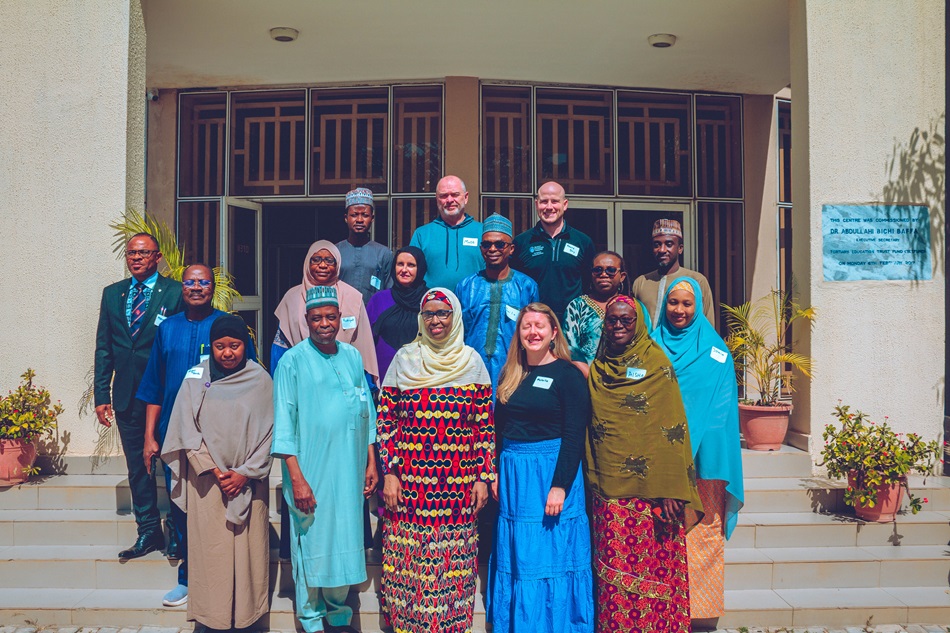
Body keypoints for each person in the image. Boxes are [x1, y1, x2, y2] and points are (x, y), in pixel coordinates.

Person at [376, 288, 495, 633]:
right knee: (409, 569)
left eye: (443, 313)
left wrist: (483, 477)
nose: (436, 320)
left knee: (452, 570)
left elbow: (484, 426)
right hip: (410, 488)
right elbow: (386, 420)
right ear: (420, 318)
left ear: (455, 316)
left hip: (458, 490)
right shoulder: (404, 359)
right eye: (429, 314)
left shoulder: (471, 362)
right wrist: (391, 472)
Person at [137, 264, 256, 606]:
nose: (196, 287)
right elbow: (153, 387)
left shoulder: (225, 327)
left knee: (215, 510)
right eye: (190, 282)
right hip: (176, 437)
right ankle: (188, 579)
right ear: (182, 287)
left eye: (204, 282)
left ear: (212, 286)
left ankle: (220, 579)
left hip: (220, 438)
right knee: (182, 509)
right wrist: (150, 436)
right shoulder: (167, 328)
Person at [586, 295, 703, 633]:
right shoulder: (599, 366)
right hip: (609, 489)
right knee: (615, 574)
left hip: (654, 495)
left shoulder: (656, 365)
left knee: (655, 570)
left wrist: (670, 488)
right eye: (612, 320)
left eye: (626, 320)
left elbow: (672, 430)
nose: (619, 326)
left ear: (637, 324)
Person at [272, 286, 379, 633]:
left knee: (344, 537)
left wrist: (371, 462)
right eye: (316, 318)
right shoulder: (292, 361)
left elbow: (367, 412)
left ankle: (338, 610)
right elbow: (284, 423)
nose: (324, 323)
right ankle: (310, 615)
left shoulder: (351, 357)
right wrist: (296, 477)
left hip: (348, 469)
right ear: (306, 321)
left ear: (339, 319)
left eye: (330, 317)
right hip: (310, 469)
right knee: (312, 539)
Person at [161, 314, 273, 631]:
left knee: (248, 557)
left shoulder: (260, 380)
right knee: (212, 556)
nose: (227, 353)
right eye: (220, 346)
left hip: (249, 485)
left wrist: (244, 474)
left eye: (234, 345)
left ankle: (247, 618)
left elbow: (271, 433)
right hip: (207, 484)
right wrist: (211, 468)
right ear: (210, 347)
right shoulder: (195, 378)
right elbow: (184, 428)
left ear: (245, 345)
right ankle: (213, 619)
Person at [487, 303, 593, 633]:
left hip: (551, 471)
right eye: (526, 326)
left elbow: (575, 433)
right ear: (518, 334)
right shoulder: (510, 373)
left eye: (539, 326)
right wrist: (495, 472)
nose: (533, 332)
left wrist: (560, 485)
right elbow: (498, 429)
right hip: (515, 477)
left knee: (553, 555)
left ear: (553, 333)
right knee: (523, 556)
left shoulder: (567, 374)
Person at [651, 277, 744, 629]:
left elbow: (722, 412)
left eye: (686, 304)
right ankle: (664, 605)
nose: (679, 310)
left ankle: (699, 617)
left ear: (698, 306)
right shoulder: (652, 346)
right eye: (673, 303)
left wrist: (694, 449)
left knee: (702, 536)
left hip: (704, 463)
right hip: (661, 461)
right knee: (663, 536)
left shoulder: (715, 350)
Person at [94, 232, 183, 561]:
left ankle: (176, 529)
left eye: (143, 253)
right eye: (131, 253)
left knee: (172, 464)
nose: (136, 258)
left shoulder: (175, 292)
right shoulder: (113, 294)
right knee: (138, 466)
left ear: (157, 257)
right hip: (128, 395)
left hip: (166, 394)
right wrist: (101, 394)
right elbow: (105, 347)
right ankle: (148, 531)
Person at [272, 240, 379, 382]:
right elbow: (280, 348)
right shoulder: (292, 298)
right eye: (316, 260)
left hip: (343, 377)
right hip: (302, 378)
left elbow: (363, 345)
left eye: (329, 261)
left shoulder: (352, 297)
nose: (322, 265)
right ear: (307, 263)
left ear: (338, 265)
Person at [455, 214, 539, 388]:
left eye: (500, 244)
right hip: (471, 372)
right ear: (480, 248)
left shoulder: (526, 286)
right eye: (486, 244)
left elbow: (535, 334)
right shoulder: (465, 286)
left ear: (511, 249)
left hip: (515, 372)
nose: (492, 249)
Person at [512, 181, 595, 321]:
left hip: (572, 323)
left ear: (565, 204)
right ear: (537, 204)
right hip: (534, 322)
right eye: (544, 202)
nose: (549, 207)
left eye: (555, 201)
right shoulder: (522, 242)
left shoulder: (583, 242)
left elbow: (589, 285)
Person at [631, 219, 716, 329]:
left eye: (669, 244)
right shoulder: (641, 282)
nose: (662, 250)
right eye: (657, 245)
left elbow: (707, 324)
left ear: (680, 248)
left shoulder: (696, 280)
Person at [409, 175, 484, 290]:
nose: (449, 200)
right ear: (436, 199)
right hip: (433, 304)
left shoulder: (483, 232)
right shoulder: (422, 234)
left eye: (455, 194)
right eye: (443, 196)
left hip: (474, 305)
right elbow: (411, 274)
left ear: (466, 197)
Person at [366, 246, 428, 381]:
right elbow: (367, 341)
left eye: (411, 265)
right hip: (384, 377)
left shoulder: (429, 300)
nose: (404, 270)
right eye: (400, 264)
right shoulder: (379, 299)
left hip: (421, 378)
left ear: (420, 268)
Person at [563, 250, 629, 376]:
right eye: (598, 270)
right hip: (585, 381)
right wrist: (594, 381)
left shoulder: (633, 307)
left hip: (625, 383)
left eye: (611, 270)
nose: (604, 274)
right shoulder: (577, 306)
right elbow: (570, 349)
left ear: (622, 276)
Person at [335, 187, 394, 305]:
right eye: (354, 215)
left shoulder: (384, 253)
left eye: (365, 215)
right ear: (346, 218)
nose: (359, 220)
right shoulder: (335, 252)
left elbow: (389, 291)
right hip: (341, 315)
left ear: (372, 218)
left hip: (374, 317)